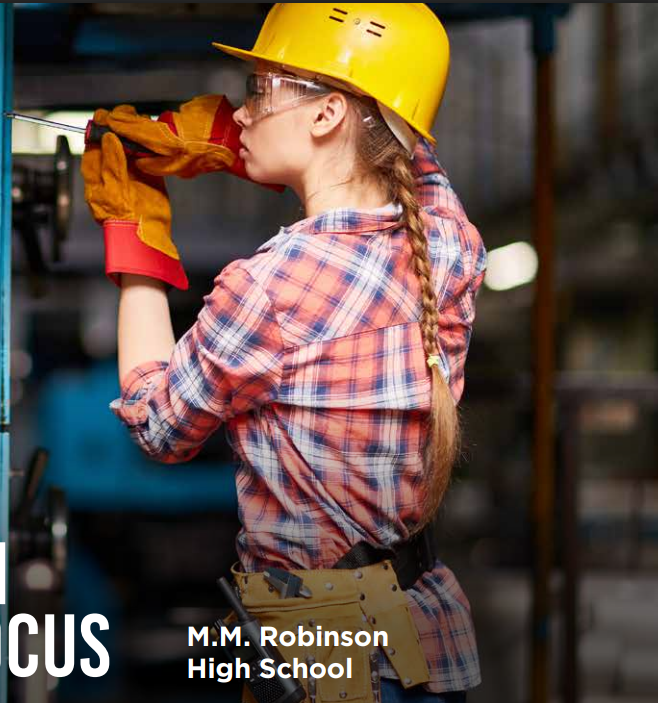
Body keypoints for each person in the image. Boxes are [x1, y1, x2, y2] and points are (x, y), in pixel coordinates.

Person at [81, 4, 484, 702]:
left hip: (322, 656)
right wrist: (244, 137)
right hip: (427, 641)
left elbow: (158, 423)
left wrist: (134, 225)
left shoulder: (271, 285)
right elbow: (404, 153)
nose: (238, 110)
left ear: (328, 114)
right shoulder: (448, 238)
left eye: (258, 89)